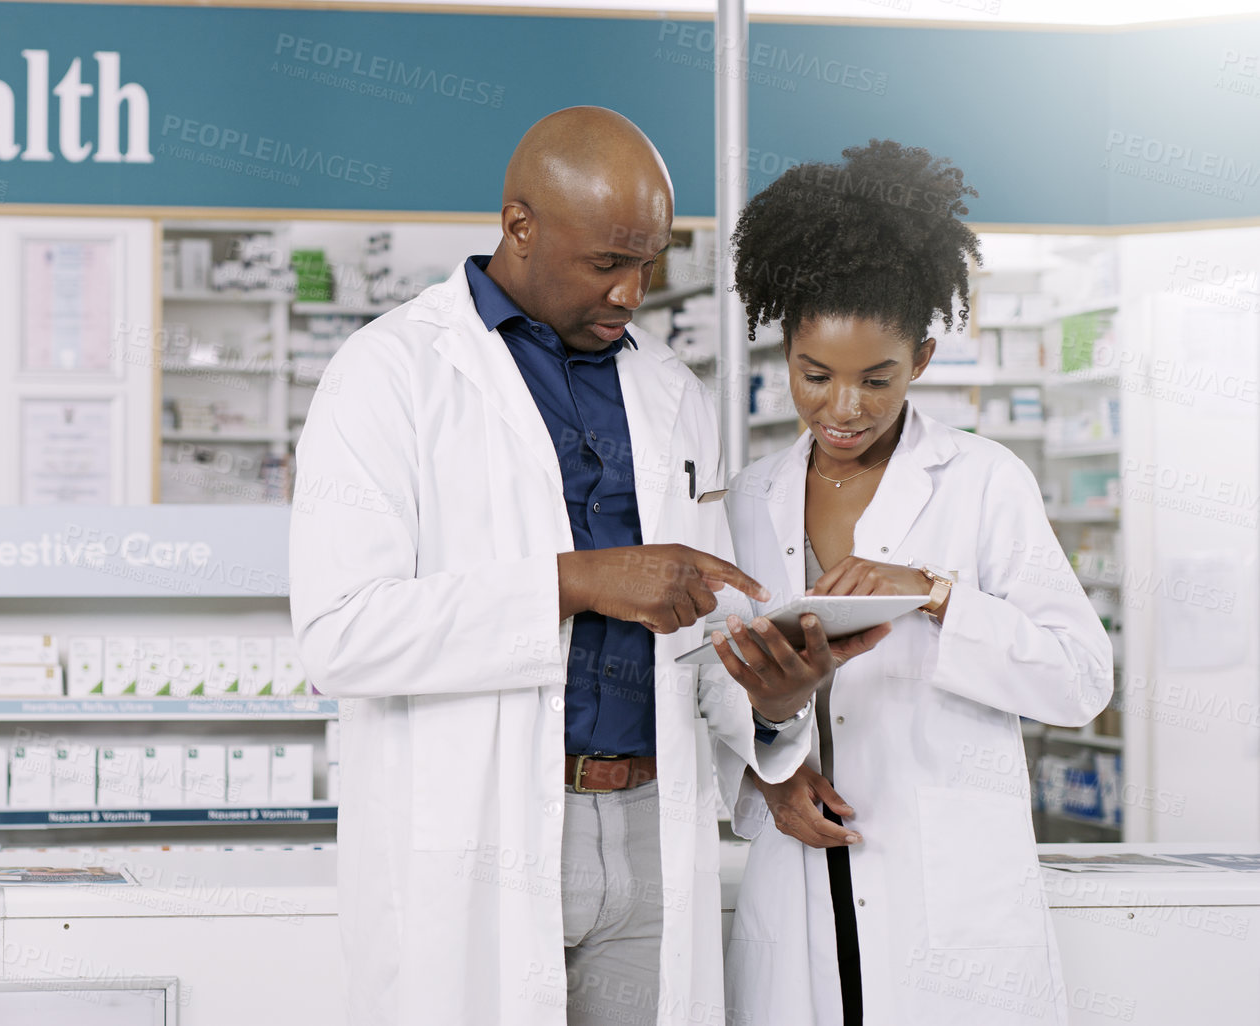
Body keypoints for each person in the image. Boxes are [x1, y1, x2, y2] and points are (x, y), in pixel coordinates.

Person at [289, 107, 887, 1026]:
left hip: (651, 819)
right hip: (481, 831)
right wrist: (579, 580)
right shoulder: (389, 373)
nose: (629, 294)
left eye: (646, 264)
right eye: (606, 264)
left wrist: (773, 710)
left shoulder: (667, 387)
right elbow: (341, 635)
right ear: (518, 225)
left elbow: (699, 633)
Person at [718, 140, 1114, 1026]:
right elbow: (710, 697)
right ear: (785, 351)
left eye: (877, 379)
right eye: (814, 376)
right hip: (802, 879)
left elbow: (1080, 679)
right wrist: (765, 780)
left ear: (924, 358)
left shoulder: (982, 481)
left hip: (947, 893)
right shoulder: (749, 498)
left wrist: (937, 594)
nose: (843, 408)